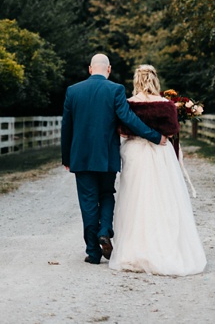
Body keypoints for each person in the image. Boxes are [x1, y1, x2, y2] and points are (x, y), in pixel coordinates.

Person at [61, 53, 167, 265]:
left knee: (88, 202)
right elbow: (128, 118)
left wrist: (67, 157)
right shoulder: (116, 90)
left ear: (90, 69)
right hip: (106, 156)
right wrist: (155, 136)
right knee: (107, 194)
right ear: (108, 70)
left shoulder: (73, 91)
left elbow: (67, 127)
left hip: (81, 157)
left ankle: (93, 252)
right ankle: (105, 230)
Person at [108, 64, 206, 276]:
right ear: (155, 80)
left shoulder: (129, 104)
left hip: (134, 152)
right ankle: (164, 247)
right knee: (162, 198)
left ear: (137, 80)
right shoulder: (166, 105)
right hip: (159, 152)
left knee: (135, 199)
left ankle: (133, 250)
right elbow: (171, 132)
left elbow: (123, 132)